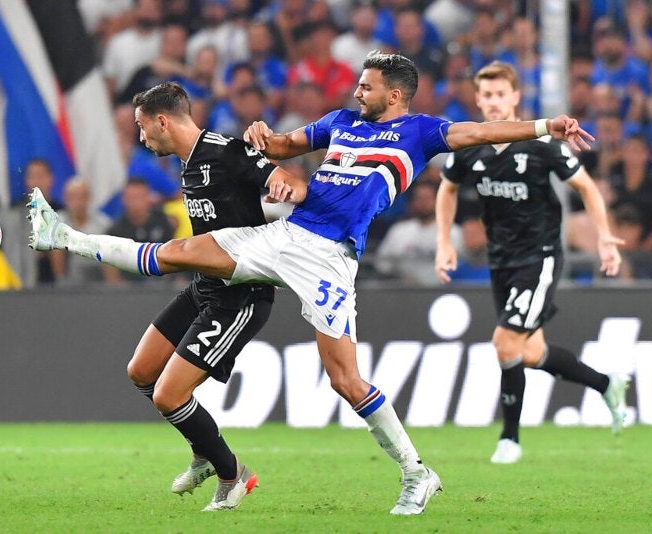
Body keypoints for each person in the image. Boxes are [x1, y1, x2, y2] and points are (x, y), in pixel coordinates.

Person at [29, 52, 596, 515]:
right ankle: (66, 237)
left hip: (330, 259)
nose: (357, 92)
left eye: (367, 87)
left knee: (344, 380)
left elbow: (479, 130)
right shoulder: (339, 122)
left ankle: (416, 473)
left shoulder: (422, 132)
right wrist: (263, 136)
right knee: (178, 253)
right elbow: (282, 146)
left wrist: (549, 125)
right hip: (284, 236)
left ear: (394, 94)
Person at [37, 82, 283, 511]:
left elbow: (280, 179)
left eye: (141, 127)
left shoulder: (226, 151)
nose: (140, 137)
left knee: (170, 395)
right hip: (204, 286)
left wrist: (288, 190)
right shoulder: (187, 165)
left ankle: (233, 475)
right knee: (141, 371)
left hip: (240, 296)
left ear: (161, 121)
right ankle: (204, 451)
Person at [434, 61, 630, 464]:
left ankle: (510, 438)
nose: (492, 102)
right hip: (501, 261)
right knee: (529, 353)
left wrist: (605, 236)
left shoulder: (541, 144)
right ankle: (606, 384)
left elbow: (586, 186)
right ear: (477, 99)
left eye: (499, 94)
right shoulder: (471, 146)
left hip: (539, 257)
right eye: (485, 95)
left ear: (515, 97)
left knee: (504, 343)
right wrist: (443, 242)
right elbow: (446, 190)